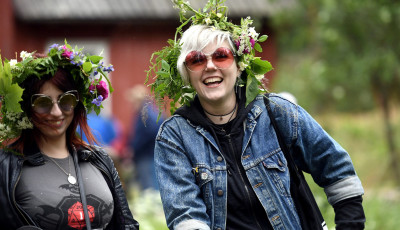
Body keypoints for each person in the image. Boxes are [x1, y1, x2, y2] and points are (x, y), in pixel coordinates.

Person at [147, 1, 365, 230]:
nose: (210, 66)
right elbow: (186, 218)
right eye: (197, 60)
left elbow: (336, 168)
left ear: (239, 65)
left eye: (221, 56)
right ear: (187, 74)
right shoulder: (175, 137)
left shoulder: (277, 113)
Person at [0, 42, 139, 230]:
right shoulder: (6, 167)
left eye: (66, 100)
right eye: (43, 103)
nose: (57, 112)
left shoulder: (99, 159)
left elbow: (127, 225)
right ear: (25, 108)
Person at [127, 85, 164, 191]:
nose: (132, 104)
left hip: (147, 155)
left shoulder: (145, 113)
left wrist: (134, 148)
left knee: (149, 187)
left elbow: (149, 132)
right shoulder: (152, 111)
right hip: (151, 154)